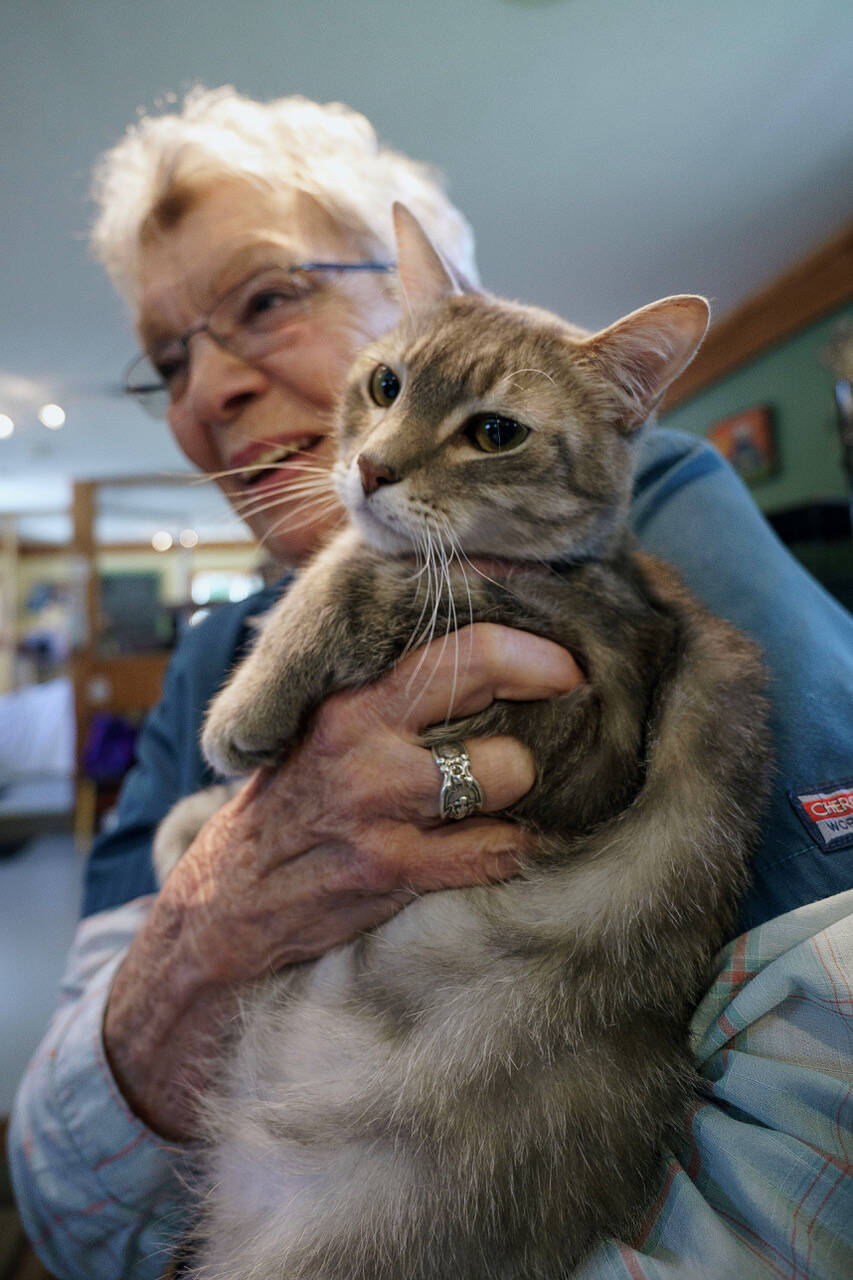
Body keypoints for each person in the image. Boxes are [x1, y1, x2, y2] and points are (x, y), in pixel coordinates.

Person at [9, 87, 853, 1280]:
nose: (206, 394)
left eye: (262, 299)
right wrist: (203, 927)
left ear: (427, 281)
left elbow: (824, 1087)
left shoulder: (651, 531)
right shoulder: (216, 643)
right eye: (165, 360)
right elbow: (58, 1187)